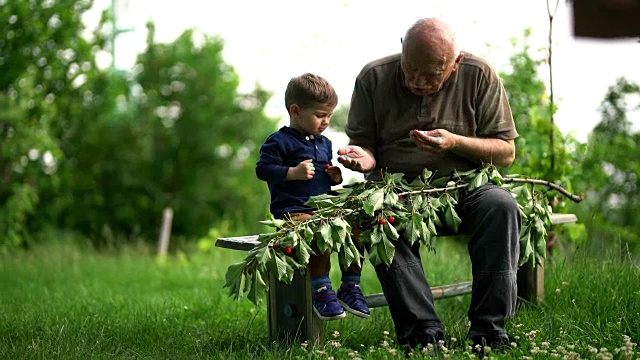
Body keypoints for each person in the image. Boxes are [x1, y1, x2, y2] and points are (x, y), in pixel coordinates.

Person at [337, 18, 520, 351]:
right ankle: (423, 334)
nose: (417, 81)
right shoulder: (373, 76)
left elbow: (506, 152)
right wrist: (363, 158)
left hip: (465, 190)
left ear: (454, 64)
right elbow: (363, 144)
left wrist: (455, 143)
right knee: (375, 215)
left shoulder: (479, 74)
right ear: (402, 48)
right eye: (410, 69)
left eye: (431, 75)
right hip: (397, 194)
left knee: (501, 205)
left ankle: (489, 332)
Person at [256, 73, 371, 321]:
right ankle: (320, 289)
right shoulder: (279, 141)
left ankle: (350, 285)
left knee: (358, 228)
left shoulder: (325, 143)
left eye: (329, 115)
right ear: (296, 111)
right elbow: (263, 170)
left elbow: (321, 175)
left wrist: (333, 177)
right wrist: (292, 172)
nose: (326, 121)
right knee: (319, 233)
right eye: (320, 115)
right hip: (292, 211)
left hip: (323, 209)